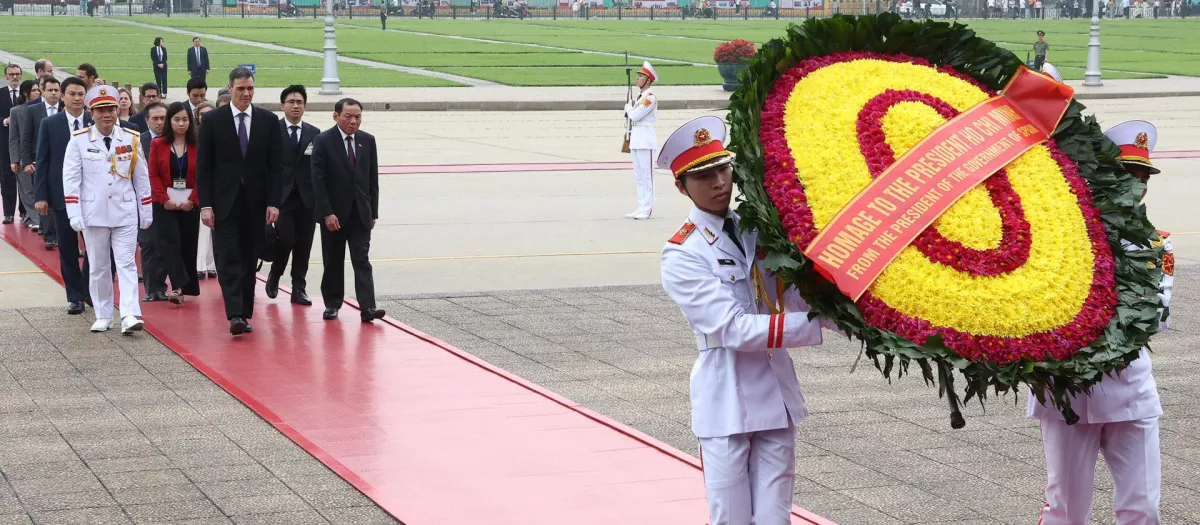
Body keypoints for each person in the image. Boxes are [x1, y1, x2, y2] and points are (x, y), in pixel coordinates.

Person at [658, 116, 826, 525]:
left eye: (723, 169)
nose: (719, 182)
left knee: (774, 519)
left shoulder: (757, 230)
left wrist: (851, 316)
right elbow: (730, 328)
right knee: (731, 519)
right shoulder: (683, 253)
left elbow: (788, 294)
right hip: (726, 399)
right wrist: (814, 324)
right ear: (682, 187)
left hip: (776, 393)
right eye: (703, 176)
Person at [1030, 120, 1171, 525]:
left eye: (1142, 177)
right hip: (1066, 391)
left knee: (1142, 508)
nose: (1136, 185)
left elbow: (1156, 316)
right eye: (1127, 174)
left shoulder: (1156, 244)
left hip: (1130, 389)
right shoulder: (1060, 237)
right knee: (1067, 511)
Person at [195, 66, 282, 336]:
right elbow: (204, 167)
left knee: (248, 258)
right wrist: (206, 205)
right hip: (224, 203)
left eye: (250, 88)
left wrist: (274, 202)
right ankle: (234, 314)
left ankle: (244, 311)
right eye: (241, 88)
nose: (246, 93)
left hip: (256, 204)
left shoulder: (268, 121)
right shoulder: (213, 120)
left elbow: (276, 166)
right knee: (228, 257)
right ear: (230, 88)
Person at [63, 86, 151, 334]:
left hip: (125, 211)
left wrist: (146, 210)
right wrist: (74, 212)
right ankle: (103, 314)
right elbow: (71, 178)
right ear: (91, 113)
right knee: (99, 266)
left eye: (111, 109)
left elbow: (141, 178)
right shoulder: (79, 140)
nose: (107, 114)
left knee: (127, 264)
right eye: (100, 110)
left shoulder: (131, 138)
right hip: (94, 213)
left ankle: (130, 314)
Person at [311, 98, 384, 323]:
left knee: (362, 260)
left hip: (360, 214)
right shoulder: (323, 141)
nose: (354, 121)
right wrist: (327, 213)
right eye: (348, 117)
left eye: (358, 117)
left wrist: (373, 212)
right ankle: (332, 304)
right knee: (333, 261)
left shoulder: (367, 141)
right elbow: (318, 181)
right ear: (336, 116)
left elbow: (372, 179)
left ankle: (368, 307)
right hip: (334, 215)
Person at [33, 77, 93, 315]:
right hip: (61, 195)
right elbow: (43, 160)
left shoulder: (94, 121)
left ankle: (89, 289)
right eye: (72, 94)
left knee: (96, 247)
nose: (77, 98)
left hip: (92, 196)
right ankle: (75, 296)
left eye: (81, 94)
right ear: (63, 96)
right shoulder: (50, 124)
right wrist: (41, 196)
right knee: (67, 248)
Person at [265, 85, 319, 306]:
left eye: (300, 102)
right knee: (286, 239)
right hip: (282, 197)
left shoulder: (314, 133)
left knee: (304, 244)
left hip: (307, 198)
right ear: (282, 105)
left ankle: (299, 288)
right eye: (291, 102)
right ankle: (275, 274)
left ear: (305, 106)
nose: (296, 106)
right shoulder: (272, 131)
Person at [149, 102, 200, 304]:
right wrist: (164, 199)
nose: (181, 124)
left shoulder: (197, 144)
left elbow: (203, 175)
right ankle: (177, 287)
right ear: (169, 121)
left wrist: (193, 200)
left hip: (189, 203)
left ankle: (186, 287)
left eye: (185, 119)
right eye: (176, 119)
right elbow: (153, 174)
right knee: (170, 243)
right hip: (165, 203)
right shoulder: (158, 144)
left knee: (188, 244)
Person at [20, 75, 64, 243]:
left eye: (56, 90)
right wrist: (26, 162)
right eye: (50, 90)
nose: (53, 93)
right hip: (38, 160)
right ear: (42, 92)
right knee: (43, 195)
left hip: (60, 160)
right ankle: (49, 235)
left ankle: (60, 233)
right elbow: (26, 137)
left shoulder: (65, 108)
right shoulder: (32, 110)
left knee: (59, 197)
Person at [137, 102, 169, 301]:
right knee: (149, 243)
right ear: (147, 120)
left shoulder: (173, 141)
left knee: (165, 243)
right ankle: (150, 288)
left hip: (169, 199)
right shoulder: (138, 142)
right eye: (155, 118)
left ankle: (161, 286)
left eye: (163, 118)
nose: (159, 122)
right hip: (145, 201)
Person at [623, 61, 657, 220]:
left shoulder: (650, 97)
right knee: (639, 175)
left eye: (641, 76)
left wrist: (629, 109)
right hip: (636, 137)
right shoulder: (640, 97)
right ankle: (641, 206)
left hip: (645, 139)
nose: (638, 78)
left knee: (647, 176)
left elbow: (635, 116)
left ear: (648, 80)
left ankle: (647, 208)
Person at [7, 80, 39, 227]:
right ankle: (35, 219)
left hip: (39, 155)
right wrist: (14, 159)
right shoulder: (15, 111)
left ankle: (39, 220)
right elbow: (13, 137)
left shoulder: (43, 109)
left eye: (38, 90)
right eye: (34, 90)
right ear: (26, 92)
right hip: (22, 156)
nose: (37, 93)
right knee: (26, 190)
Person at [193, 102, 217, 280]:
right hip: (197, 185)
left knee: (213, 229)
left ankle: (212, 264)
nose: (206, 117)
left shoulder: (220, 134)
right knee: (202, 228)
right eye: (202, 114)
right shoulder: (193, 136)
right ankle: (200, 264)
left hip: (217, 186)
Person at [0, 64, 22, 225]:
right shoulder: (0, 94)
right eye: (11, 74)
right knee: (7, 177)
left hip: (24, 141)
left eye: (17, 74)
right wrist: (5, 121)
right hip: (5, 141)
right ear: (6, 76)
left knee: (26, 177)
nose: (15, 77)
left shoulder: (26, 94)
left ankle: (25, 212)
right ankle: (8, 213)